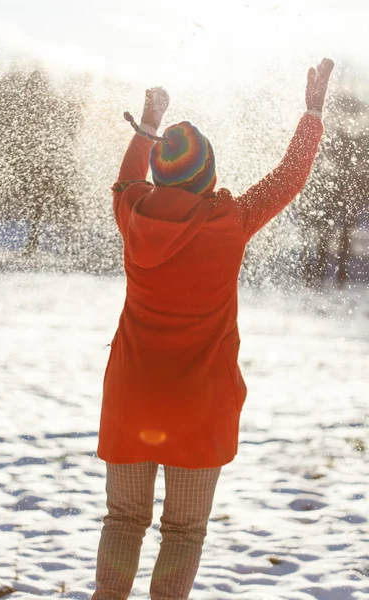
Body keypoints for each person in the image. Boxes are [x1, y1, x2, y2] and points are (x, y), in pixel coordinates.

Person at [93, 58, 334, 600]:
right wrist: (312, 111)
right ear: (208, 174)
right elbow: (290, 178)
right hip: (200, 406)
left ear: (160, 173)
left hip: (132, 396)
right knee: (183, 531)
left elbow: (128, 179)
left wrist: (151, 124)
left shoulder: (131, 212)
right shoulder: (231, 221)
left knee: (122, 520)